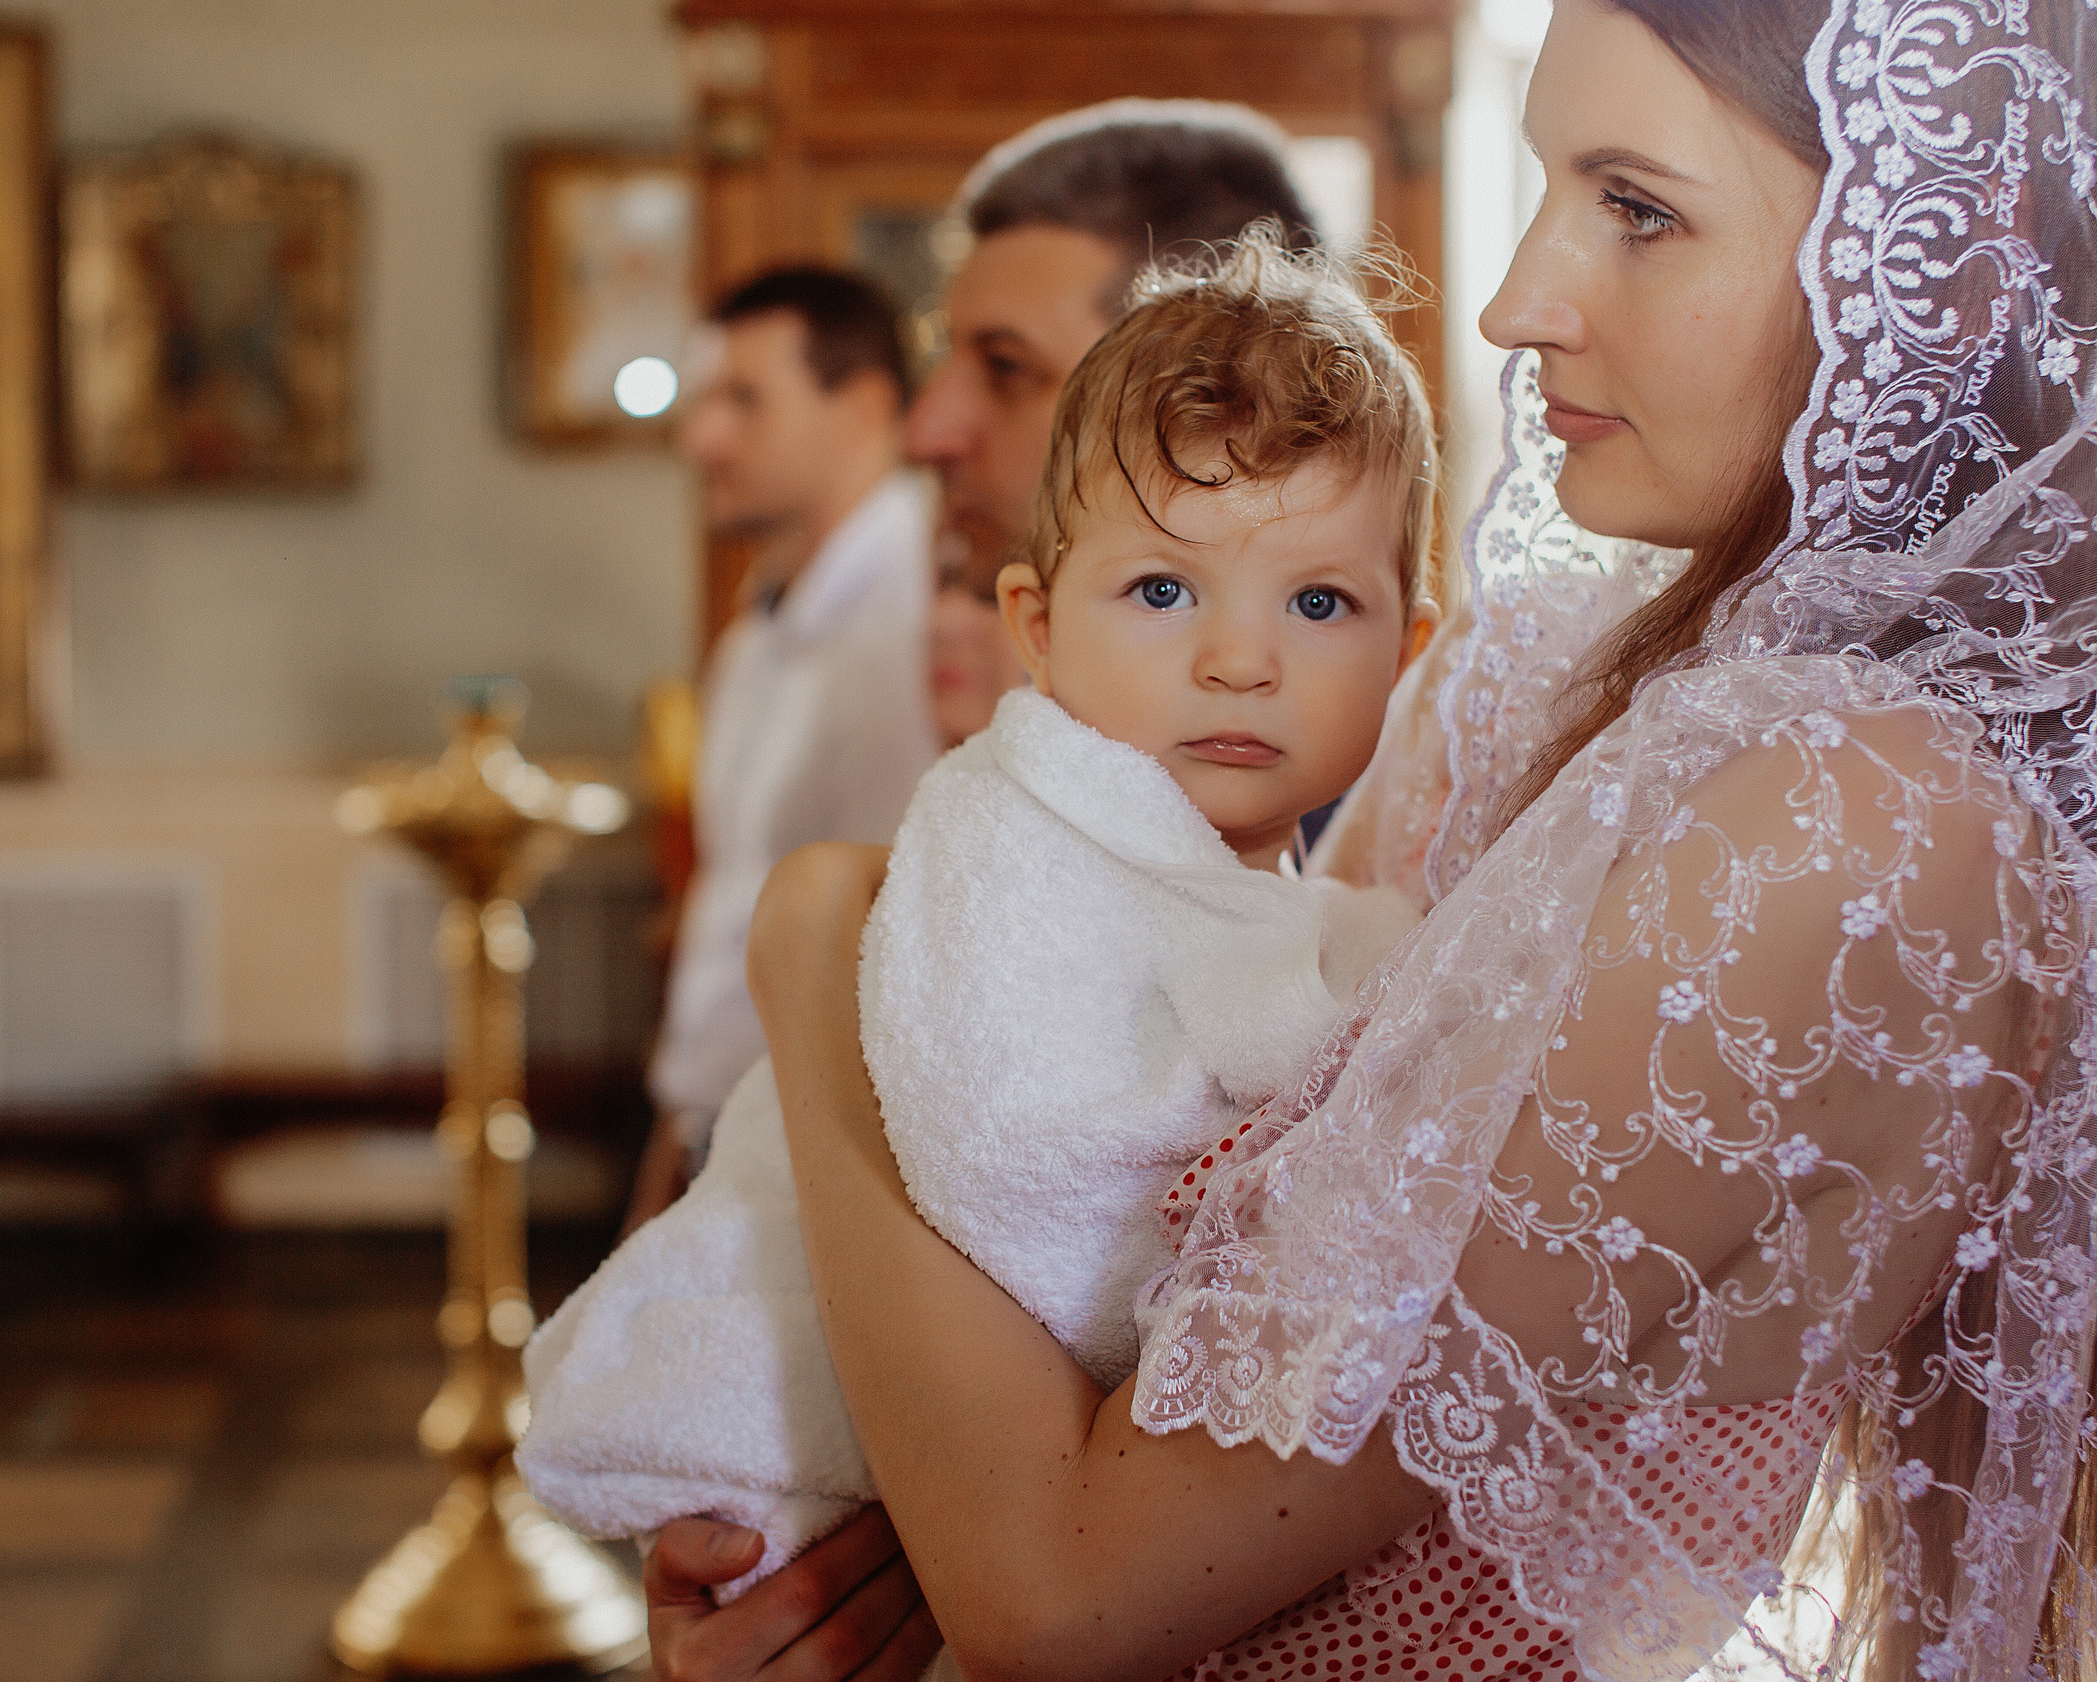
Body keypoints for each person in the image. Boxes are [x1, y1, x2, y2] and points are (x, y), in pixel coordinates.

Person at [729, 0, 2097, 1679]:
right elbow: (1138, 1301)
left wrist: (817, 948)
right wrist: (840, 1551)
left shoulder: (1865, 817)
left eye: (1636, 209)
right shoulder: (1542, 681)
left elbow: (1067, 1591)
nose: (1513, 299)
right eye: (1553, 188)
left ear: (1936, 267)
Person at [520, 234, 1435, 1585]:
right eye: (1162, 590)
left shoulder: (1274, 886)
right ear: (1037, 621)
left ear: (1406, 648)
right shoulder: (1011, 835)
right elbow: (1013, 1159)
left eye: (1319, 600)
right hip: (969, 1447)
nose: (1242, 659)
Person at [631, 102, 1321, 1677]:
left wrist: (812, 932)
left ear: (1204, 386)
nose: (932, 423)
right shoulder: (1014, 740)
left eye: (999, 369)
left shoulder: (1334, 844)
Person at [625, 266, 936, 1230]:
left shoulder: (919, 624)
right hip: (719, 1120)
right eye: (702, 400)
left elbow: (898, 941)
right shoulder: (762, 622)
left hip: (824, 1157)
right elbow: (731, 903)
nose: (701, 438)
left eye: (743, 400)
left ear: (865, 408)